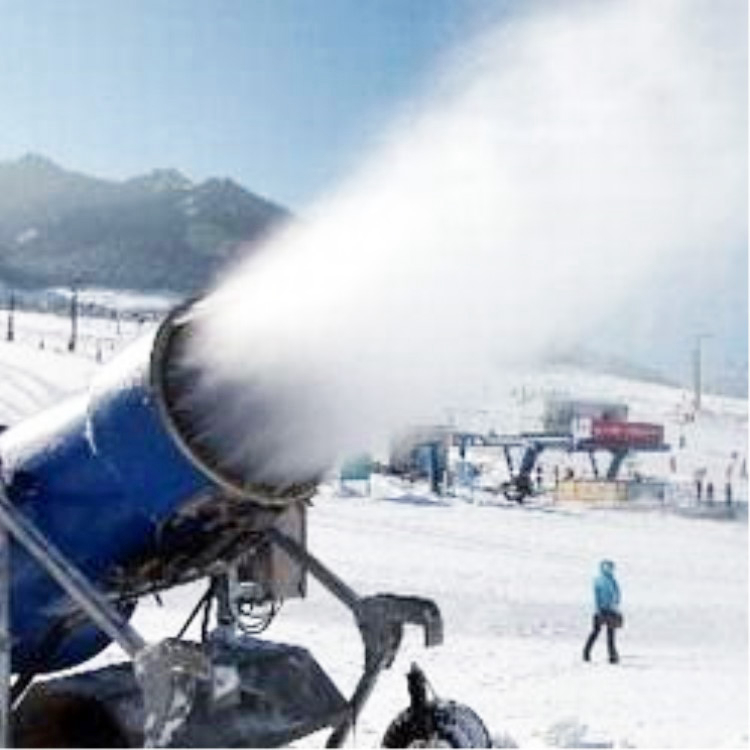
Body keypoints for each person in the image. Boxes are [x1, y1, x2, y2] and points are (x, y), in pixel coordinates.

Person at [583, 559, 622, 664]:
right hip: (601, 610)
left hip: (611, 610)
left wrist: (616, 607)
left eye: (611, 567)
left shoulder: (612, 580)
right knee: (596, 632)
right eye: (607, 567)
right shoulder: (599, 580)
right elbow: (597, 595)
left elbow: (617, 594)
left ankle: (612, 656)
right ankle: (586, 653)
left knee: (611, 634)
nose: (610, 569)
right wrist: (598, 609)